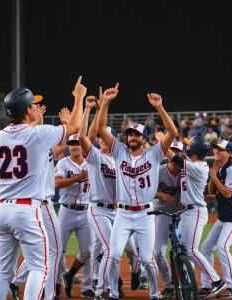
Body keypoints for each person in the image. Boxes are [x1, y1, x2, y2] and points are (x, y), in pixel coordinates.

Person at [0, 76, 86, 300]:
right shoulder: (37, 134)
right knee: (40, 267)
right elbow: (75, 127)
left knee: (2, 269)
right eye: (32, 104)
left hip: (0, 209)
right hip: (26, 209)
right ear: (27, 110)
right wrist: (78, 97)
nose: (35, 107)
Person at [97, 85, 178, 300]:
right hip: (122, 214)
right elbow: (101, 128)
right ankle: (113, 294)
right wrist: (105, 102)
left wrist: (160, 108)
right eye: (129, 133)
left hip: (145, 214)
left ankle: (154, 294)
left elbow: (172, 133)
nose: (132, 136)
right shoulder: (119, 151)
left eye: (136, 134)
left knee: (147, 260)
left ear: (144, 139)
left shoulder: (154, 154)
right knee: (113, 256)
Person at [78, 90, 140, 300]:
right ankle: (101, 290)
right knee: (109, 248)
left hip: (120, 211)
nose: (104, 140)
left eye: (109, 137)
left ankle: (135, 270)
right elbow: (82, 137)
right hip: (99, 210)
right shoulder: (94, 157)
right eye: (102, 137)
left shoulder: (122, 159)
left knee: (132, 250)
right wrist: (93, 108)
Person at [8, 107, 70, 300]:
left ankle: (16, 282)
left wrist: (45, 123)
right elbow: (35, 136)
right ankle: (49, 294)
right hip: (40, 203)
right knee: (55, 250)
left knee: (42, 249)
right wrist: (65, 125)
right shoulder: (31, 143)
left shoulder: (40, 146)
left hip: (31, 203)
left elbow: (59, 147)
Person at [161, 135, 227, 299]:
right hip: (187, 212)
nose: (187, 147)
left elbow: (175, 159)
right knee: (181, 250)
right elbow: (180, 159)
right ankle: (187, 285)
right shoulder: (194, 164)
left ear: (194, 150)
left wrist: (164, 142)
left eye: (190, 146)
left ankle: (217, 281)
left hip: (196, 212)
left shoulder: (199, 167)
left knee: (191, 250)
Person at [200, 140, 232, 298]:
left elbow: (227, 194)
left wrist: (213, 175)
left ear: (229, 153)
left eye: (220, 149)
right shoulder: (220, 169)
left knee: (223, 246)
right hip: (224, 217)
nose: (216, 151)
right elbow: (212, 190)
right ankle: (207, 286)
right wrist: (214, 175)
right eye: (216, 149)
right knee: (205, 248)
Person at [55, 133, 95, 298]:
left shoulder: (92, 162)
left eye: (78, 143)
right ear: (68, 147)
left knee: (88, 251)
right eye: (72, 143)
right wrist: (77, 178)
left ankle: (84, 284)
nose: (75, 146)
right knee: (57, 251)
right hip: (66, 211)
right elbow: (56, 183)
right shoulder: (63, 163)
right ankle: (56, 285)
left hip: (86, 211)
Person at [152, 138, 189, 299]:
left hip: (183, 214)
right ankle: (169, 285)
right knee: (158, 252)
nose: (174, 155)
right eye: (172, 152)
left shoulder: (187, 171)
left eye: (178, 153)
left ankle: (188, 281)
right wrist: (160, 194)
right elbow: (145, 190)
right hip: (162, 213)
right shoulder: (158, 170)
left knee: (187, 249)